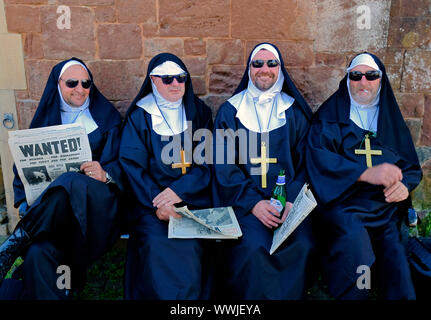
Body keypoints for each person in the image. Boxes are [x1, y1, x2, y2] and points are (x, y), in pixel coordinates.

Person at [0, 58, 124, 299]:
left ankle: (17, 240)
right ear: (58, 84)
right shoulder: (46, 118)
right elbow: (22, 171)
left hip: (96, 207)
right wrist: (24, 203)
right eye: (72, 83)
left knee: (69, 180)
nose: (80, 89)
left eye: (86, 83)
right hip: (56, 217)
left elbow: (126, 162)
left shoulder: (107, 118)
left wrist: (106, 173)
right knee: (38, 252)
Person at [305, 52, 422, 299]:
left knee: (396, 259)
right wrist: (365, 173)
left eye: (371, 76)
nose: (363, 82)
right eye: (356, 76)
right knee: (357, 252)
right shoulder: (330, 116)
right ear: (348, 79)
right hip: (344, 205)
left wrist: (404, 186)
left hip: (384, 206)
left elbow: (410, 167)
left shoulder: (389, 118)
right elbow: (319, 159)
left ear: (381, 80)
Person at [212, 43, 316, 299]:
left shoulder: (294, 112)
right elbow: (223, 164)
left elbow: (306, 162)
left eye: (272, 64)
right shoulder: (230, 112)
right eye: (257, 64)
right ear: (249, 70)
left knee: (301, 244)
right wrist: (254, 204)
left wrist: (291, 199)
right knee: (253, 247)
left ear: (280, 70)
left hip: (288, 204)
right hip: (246, 204)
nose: (264, 69)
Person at [119, 53, 213, 299]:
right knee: (156, 244)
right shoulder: (140, 116)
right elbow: (132, 165)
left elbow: (207, 161)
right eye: (167, 78)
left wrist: (178, 192)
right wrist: (158, 202)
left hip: (191, 199)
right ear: (152, 80)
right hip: (149, 204)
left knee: (192, 246)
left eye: (181, 78)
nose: (175, 84)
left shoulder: (199, 112)